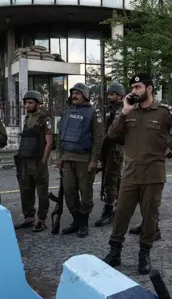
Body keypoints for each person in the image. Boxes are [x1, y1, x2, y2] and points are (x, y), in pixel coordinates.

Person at [102, 73, 172, 275]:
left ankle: (144, 253)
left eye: (138, 87)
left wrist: (170, 145)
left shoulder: (163, 111)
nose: (134, 91)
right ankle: (114, 252)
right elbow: (112, 135)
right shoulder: (127, 111)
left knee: (150, 217)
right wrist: (124, 112)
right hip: (130, 173)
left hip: (153, 174)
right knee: (121, 214)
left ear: (149, 88)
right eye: (132, 87)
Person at [57, 83, 104, 238]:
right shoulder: (66, 112)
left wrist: (94, 160)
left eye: (78, 93)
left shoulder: (92, 113)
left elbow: (98, 139)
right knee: (69, 191)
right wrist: (59, 156)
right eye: (73, 93)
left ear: (85, 95)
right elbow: (60, 135)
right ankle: (76, 221)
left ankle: (83, 223)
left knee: (85, 193)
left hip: (85, 159)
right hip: (67, 158)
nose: (75, 95)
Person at [14, 90, 53, 232]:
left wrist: (43, 161)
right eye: (26, 102)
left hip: (37, 160)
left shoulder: (45, 119)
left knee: (41, 191)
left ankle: (41, 219)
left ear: (38, 103)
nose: (27, 105)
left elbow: (49, 143)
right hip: (24, 160)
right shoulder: (26, 118)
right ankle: (29, 217)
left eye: (30, 102)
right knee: (25, 189)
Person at [94, 83, 125, 227]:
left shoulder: (123, 109)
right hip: (107, 148)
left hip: (115, 148)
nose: (109, 97)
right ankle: (119, 209)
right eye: (108, 94)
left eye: (112, 94)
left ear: (120, 95)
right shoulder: (109, 110)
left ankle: (109, 211)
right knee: (114, 179)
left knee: (111, 180)